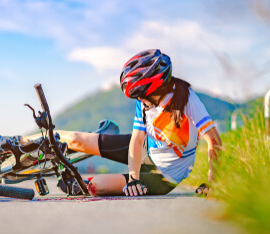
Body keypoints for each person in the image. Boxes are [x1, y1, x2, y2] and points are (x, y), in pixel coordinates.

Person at [22, 49, 223, 197]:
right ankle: (17, 142)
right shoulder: (144, 103)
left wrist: (213, 183)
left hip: (162, 176)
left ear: (157, 88)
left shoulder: (187, 100)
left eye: (142, 96)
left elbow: (214, 141)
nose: (140, 101)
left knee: (96, 186)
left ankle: (73, 180)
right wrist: (133, 177)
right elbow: (136, 141)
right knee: (76, 139)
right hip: (145, 149)